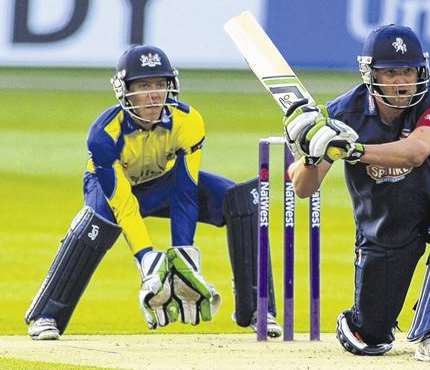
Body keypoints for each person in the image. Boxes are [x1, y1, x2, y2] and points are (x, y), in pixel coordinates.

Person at [25, 45, 282, 340]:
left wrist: (184, 254)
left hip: (163, 184)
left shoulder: (189, 122)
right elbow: (124, 204)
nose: (153, 94)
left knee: (240, 200)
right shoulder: (104, 134)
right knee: (93, 224)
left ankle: (258, 309)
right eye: (143, 86)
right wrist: (146, 257)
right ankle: (46, 315)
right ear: (124, 90)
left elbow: (186, 191)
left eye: (160, 84)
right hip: (110, 189)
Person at [283, 25, 430, 362]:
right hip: (386, 224)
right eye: (391, 72)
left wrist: (351, 151)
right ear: (371, 74)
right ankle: (363, 322)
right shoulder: (341, 114)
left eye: (408, 71)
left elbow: (416, 151)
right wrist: (311, 154)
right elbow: (303, 188)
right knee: (370, 339)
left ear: (420, 70)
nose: (402, 81)